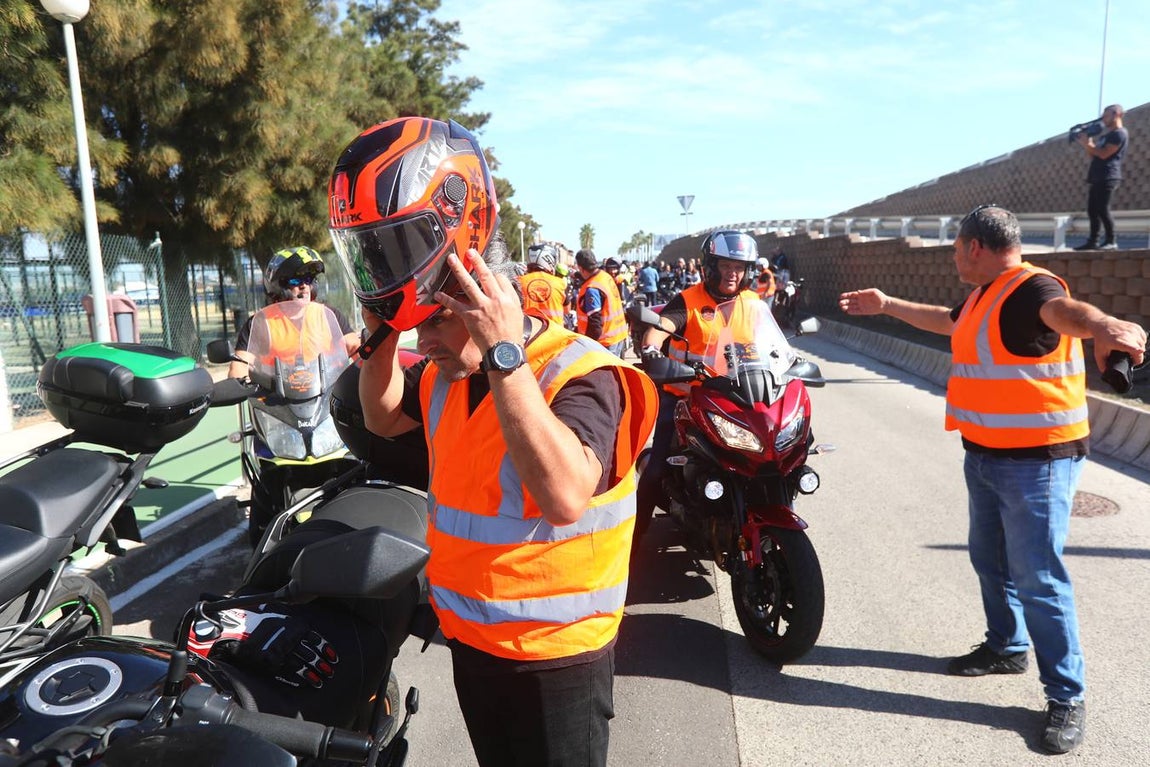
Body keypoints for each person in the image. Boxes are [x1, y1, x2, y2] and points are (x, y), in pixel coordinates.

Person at [327, 115, 658, 767]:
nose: (426, 342)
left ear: (481, 306)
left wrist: (504, 356)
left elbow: (564, 494)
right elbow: (382, 413)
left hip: (555, 662)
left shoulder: (581, 372)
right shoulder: (447, 378)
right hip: (474, 649)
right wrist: (386, 330)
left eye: (438, 324)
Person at [838, 204, 1147, 755]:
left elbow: (1066, 312)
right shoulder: (985, 296)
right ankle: (1006, 646)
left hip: (1038, 461)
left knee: (1039, 578)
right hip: (986, 455)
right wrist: (886, 305)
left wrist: (1103, 326)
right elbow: (944, 320)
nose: (955, 257)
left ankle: (1066, 697)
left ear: (975, 246)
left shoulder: (1031, 289)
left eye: (957, 248)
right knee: (990, 558)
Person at [634, 230, 764, 546]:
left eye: (739, 267)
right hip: (686, 396)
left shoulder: (752, 301)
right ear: (711, 266)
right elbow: (660, 330)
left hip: (737, 397)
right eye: (726, 266)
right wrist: (651, 349)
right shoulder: (688, 301)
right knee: (655, 471)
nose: (733, 274)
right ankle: (634, 541)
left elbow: (768, 342)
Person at [228, 246, 359, 379]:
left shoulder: (328, 315)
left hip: (328, 393)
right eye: (296, 281)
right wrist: (238, 381)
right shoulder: (261, 322)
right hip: (274, 396)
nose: (304, 286)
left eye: (308, 280)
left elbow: (355, 348)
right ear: (278, 286)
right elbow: (240, 366)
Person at [1073, 104, 1128, 251]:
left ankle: (1111, 240)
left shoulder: (1119, 134)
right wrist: (1088, 143)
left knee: (1103, 209)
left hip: (1109, 176)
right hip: (1097, 176)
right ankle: (1093, 241)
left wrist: (1088, 145)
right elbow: (1094, 154)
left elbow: (1104, 154)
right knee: (1092, 209)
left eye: (1106, 115)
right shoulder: (1106, 136)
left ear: (1116, 114)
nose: (1104, 119)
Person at [575, 248, 629, 357]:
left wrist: (587, 346)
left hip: (605, 342)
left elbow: (595, 324)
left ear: (580, 268)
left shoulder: (592, 289)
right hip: (618, 335)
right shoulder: (605, 277)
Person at [519, 242, 568, 325]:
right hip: (555, 335)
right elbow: (566, 310)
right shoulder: (560, 283)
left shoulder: (518, 282)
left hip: (528, 334)